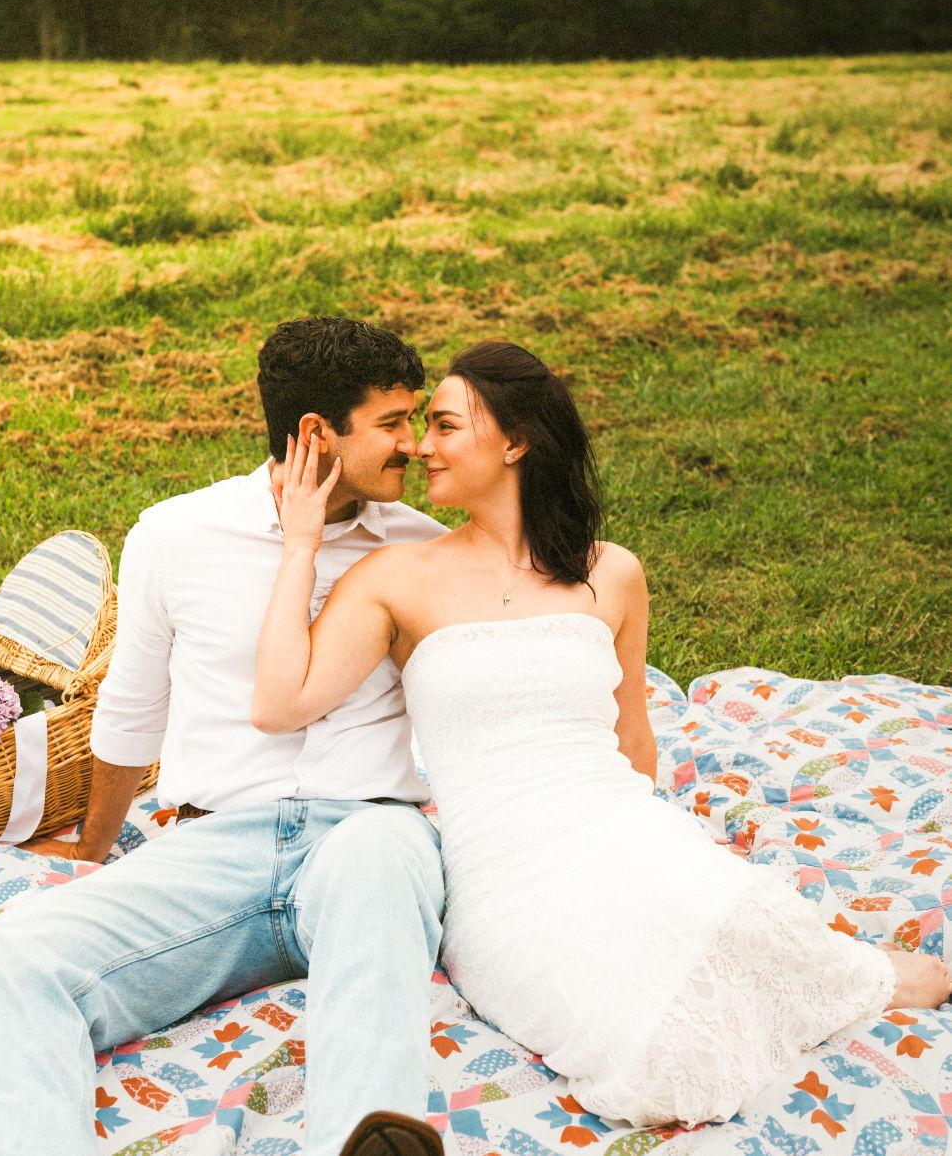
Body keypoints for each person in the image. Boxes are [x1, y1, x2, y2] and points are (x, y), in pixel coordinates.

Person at [251, 338, 952, 1128]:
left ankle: (824, 967)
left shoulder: (610, 572)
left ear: (515, 442)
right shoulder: (394, 578)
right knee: (657, 1067)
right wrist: (301, 542)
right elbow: (280, 702)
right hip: (500, 872)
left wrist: (651, 861)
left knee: (769, 938)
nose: (420, 446)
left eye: (445, 426)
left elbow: (632, 734)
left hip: (614, 825)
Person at [0, 317, 451, 1156]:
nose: (416, 444)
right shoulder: (176, 535)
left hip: (367, 832)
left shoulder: (428, 550)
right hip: (216, 850)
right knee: (15, 954)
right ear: (318, 433)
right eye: (393, 422)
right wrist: (94, 847)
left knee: (379, 863)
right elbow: (132, 709)